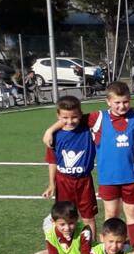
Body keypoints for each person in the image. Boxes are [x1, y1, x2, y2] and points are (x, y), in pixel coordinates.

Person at [42, 83, 134, 239]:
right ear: (108, 101)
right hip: (107, 178)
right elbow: (69, 118)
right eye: (117, 102)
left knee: (132, 212)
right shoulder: (98, 118)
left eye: (125, 102)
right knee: (110, 213)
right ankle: (104, 249)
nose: (122, 106)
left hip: (131, 176)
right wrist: (50, 129)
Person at [41, 96, 97, 237]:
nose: (70, 121)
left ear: (81, 115)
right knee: (65, 218)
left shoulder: (88, 129)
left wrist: (50, 128)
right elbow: (52, 161)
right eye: (65, 117)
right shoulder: (55, 136)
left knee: (88, 218)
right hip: (63, 181)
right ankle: (67, 248)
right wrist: (51, 184)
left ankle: (90, 249)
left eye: (74, 117)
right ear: (58, 116)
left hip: (84, 182)